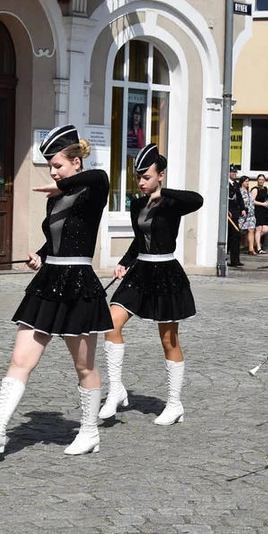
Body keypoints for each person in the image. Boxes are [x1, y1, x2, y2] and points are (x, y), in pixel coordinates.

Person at [0, 125, 112, 458]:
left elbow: (99, 177)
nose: (52, 171)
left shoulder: (92, 189)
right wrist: (41, 254)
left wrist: (62, 184)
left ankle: (90, 431)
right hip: (48, 283)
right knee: (20, 360)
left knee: (84, 367)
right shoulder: (57, 198)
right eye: (50, 165)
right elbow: (56, 241)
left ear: (76, 163)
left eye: (58, 165)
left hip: (78, 284)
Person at [100, 144, 203, 425]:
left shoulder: (171, 204)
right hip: (140, 271)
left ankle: (174, 403)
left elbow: (198, 200)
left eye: (147, 177)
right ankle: (116, 389)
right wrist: (124, 262)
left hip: (166, 272)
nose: (142, 182)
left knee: (169, 340)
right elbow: (139, 239)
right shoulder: (136, 204)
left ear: (160, 176)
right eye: (139, 178)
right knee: (111, 322)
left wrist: (163, 193)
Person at [227, 165, 243, 267]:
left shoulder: (236, 184)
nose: (234, 174)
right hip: (228, 214)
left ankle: (235, 260)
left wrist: (243, 209)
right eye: (232, 172)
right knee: (232, 235)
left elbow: (239, 198)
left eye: (235, 172)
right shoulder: (226, 184)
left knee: (236, 236)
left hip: (235, 214)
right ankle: (227, 257)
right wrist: (226, 210)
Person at [252, 174, 268, 254]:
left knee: (265, 229)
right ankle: (258, 248)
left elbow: (267, 198)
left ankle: (254, 241)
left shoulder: (265, 189)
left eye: (262, 179)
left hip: (264, 211)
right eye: (259, 179)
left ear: (264, 180)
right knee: (258, 229)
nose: (261, 181)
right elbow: (252, 201)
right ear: (257, 180)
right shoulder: (255, 189)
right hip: (257, 210)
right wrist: (262, 204)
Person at [239, 175, 258, 254]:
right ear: (242, 182)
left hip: (251, 215)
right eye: (246, 181)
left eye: (248, 181)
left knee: (251, 230)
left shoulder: (248, 191)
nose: (247, 183)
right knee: (239, 230)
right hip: (243, 215)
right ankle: (234, 247)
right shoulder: (239, 191)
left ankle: (251, 249)